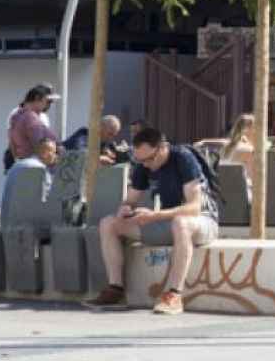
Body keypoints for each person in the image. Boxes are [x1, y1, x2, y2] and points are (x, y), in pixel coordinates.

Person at [83, 126, 220, 316]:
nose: (145, 165)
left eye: (149, 159)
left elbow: (194, 208)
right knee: (109, 224)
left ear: (163, 147)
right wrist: (125, 209)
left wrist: (154, 216)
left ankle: (174, 295)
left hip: (202, 222)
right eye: (140, 160)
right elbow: (130, 200)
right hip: (168, 224)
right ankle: (115, 289)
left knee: (181, 222)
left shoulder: (183, 159)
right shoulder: (143, 162)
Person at [0, 137, 58, 222]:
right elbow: (46, 201)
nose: (55, 156)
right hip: (21, 225)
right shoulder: (39, 169)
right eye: (54, 152)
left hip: (6, 221)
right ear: (46, 152)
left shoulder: (19, 164)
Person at [7, 85, 60, 166]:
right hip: (38, 162)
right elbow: (41, 147)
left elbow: (12, 145)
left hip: (24, 162)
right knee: (83, 133)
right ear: (37, 98)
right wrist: (58, 158)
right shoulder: (31, 117)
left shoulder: (16, 116)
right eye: (48, 101)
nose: (49, 105)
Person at [64, 115, 129, 165]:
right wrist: (99, 158)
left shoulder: (108, 144)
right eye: (109, 134)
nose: (111, 138)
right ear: (100, 127)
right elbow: (79, 153)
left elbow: (121, 161)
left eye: (114, 135)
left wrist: (123, 153)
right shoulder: (84, 134)